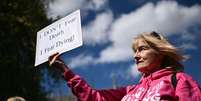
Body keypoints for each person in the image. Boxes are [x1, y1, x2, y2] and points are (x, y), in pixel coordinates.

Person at [49, 31, 201, 101]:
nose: (135, 56)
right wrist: (65, 70)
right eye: (135, 51)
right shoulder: (129, 91)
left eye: (142, 49)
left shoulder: (179, 80)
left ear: (160, 53)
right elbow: (94, 97)